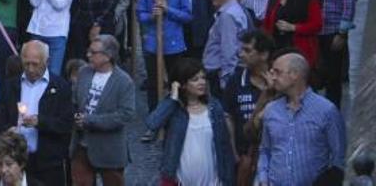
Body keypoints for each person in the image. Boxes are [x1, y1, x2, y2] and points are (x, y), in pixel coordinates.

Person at [256, 53, 346, 185]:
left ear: (294, 75)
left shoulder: (326, 111)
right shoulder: (271, 110)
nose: (273, 77)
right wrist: (263, 179)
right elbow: (265, 150)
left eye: (277, 72)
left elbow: (338, 158)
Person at [0, 40, 72, 185]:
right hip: (16, 161)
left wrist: (40, 122)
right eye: (26, 63)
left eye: (35, 64)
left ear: (47, 61)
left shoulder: (61, 87)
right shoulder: (11, 85)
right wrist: (7, 130)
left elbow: (66, 124)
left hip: (48, 164)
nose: (30, 69)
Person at [146, 58, 236, 185]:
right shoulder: (174, 110)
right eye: (195, 79)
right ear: (182, 84)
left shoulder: (214, 107)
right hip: (180, 180)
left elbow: (224, 145)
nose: (202, 82)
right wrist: (173, 98)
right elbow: (153, 123)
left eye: (203, 78)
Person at [69, 35, 135, 186]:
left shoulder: (124, 81)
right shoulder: (84, 73)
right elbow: (73, 101)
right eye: (88, 51)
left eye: (93, 52)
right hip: (82, 145)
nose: (88, 55)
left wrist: (90, 120)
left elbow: (125, 115)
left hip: (109, 149)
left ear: (108, 56)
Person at [137, 0, 193, 115]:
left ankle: (177, 115)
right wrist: (151, 16)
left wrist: (168, 10)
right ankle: (154, 117)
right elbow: (140, 14)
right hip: (153, 44)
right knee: (153, 84)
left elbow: (188, 15)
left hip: (173, 44)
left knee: (176, 82)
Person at [222, 30, 274, 185]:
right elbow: (228, 116)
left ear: (264, 54)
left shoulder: (279, 82)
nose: (241, 54)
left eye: (247, 50)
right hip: (245, 155)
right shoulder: (236, 80)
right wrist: (233, 152)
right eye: (241, 49)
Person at [262, 0, 324, 66]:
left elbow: (317, 25)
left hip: (300, 50)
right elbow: (267, 22)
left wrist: (294, 27)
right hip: (277, 49)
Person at [203, 0, 250, 94]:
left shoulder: (228, 15)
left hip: (221, 75)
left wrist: (226, 81)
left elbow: (229, 50)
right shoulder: (233, 10)